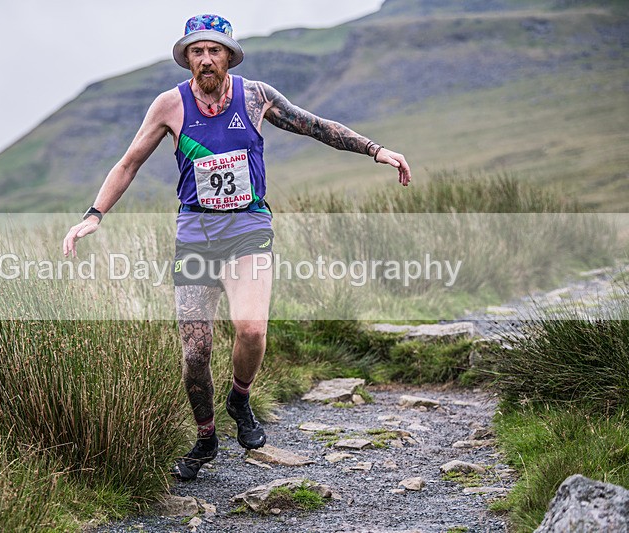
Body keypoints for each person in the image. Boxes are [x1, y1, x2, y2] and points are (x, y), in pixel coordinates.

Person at [62, 14, 411, 481]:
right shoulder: (169, 104)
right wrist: (93, 215)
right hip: (196, 236)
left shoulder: (255, 97)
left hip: (248, 227)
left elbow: (314, 125)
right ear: (187, 57)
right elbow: (128, 164)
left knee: (250, 330)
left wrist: (375, 150)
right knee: (195, 354)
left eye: (214, 50)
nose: (205, 59)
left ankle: (240, 400)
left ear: (228, 54)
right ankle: (206, 437)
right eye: (196, 51)